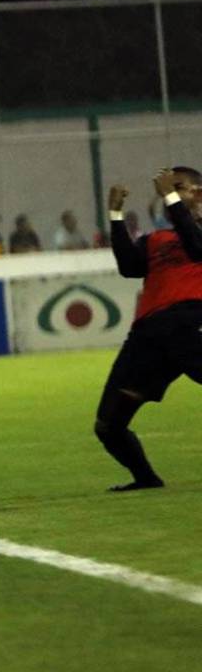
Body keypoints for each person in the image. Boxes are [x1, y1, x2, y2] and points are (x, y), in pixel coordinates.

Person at [97, 168, 202, 491]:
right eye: (172, 188)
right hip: (148, 334)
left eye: (180, 187)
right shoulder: (156, 239)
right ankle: (145, 478)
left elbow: (197, 249)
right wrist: (114, 215)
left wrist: (170, 198)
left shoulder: (196, 233)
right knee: (108, 425)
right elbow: (129, 267)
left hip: (190, 321)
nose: (171, 191)